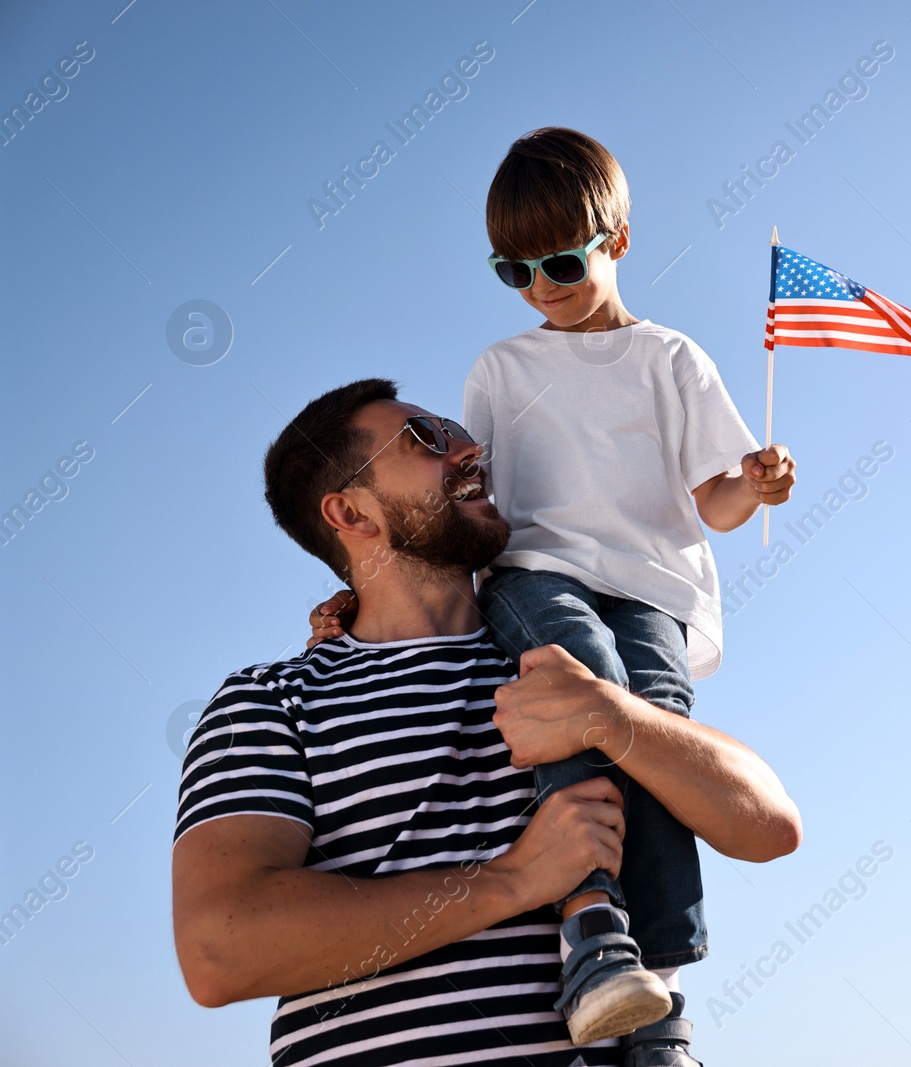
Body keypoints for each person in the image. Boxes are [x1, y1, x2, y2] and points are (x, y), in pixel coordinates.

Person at [308, 127, 798, 1050]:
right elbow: (461, 495)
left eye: (562, 262)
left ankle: (658, 993)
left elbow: (716, 500)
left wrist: (756, 485)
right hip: (537, 572)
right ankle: (590, 926)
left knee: (652, 730)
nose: (541, 288)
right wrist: (362, 593)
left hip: (652, 589)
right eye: (514, 270)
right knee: (580, 682)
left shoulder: (671, 359)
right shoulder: (502, 367)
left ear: (616, 242)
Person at [172, 380, 802, 1067]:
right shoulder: (270, 700)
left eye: (455, 429)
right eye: (427, 440)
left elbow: (771, 824)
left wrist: (610, 714)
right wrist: (514, 878)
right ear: (351, 511)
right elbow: (220, 948)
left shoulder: (575, 659)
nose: (470, 448)